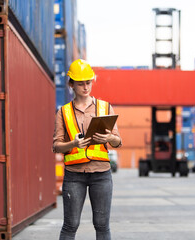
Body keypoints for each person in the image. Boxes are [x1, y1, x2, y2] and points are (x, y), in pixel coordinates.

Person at [53, 59, 122, 240]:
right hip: (74, 175)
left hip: (101, 173)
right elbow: (56, 146)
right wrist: (73, 144)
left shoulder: (104, 107)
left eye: (88, 82)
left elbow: (117, 142)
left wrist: (109, 138)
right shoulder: (63, 112)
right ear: (71, 84)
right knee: (70, 225)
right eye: (80, 83)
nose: (85, 87)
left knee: (102, 225)